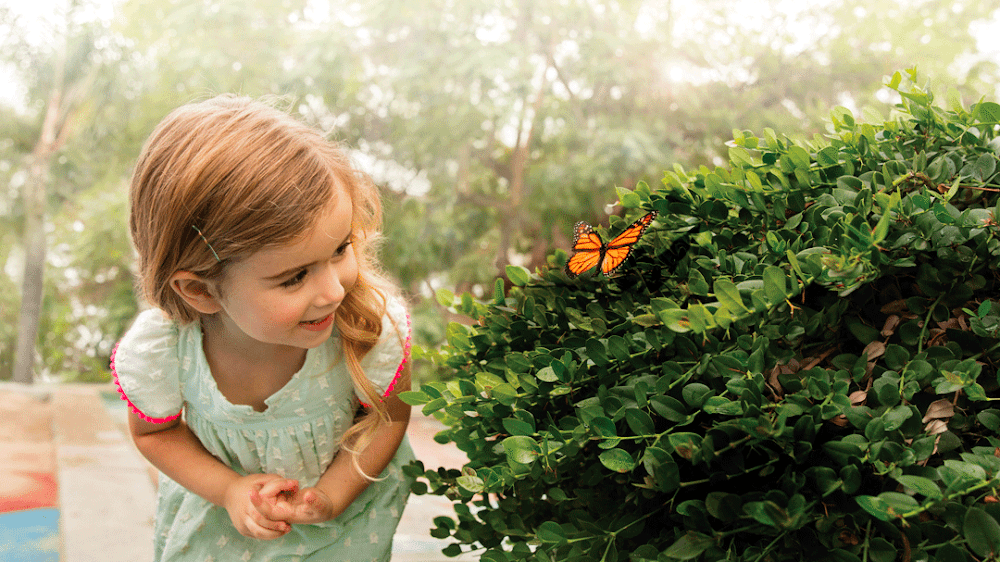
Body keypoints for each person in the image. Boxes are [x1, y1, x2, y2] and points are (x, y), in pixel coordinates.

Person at [111, 94, 415, 562]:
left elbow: (389, 417)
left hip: (343, 532)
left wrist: (332, 495)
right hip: (221, 534)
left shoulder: (364, 324)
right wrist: (230, 489)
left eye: (339, 249)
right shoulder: (166, 349)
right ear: (201, 291)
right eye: (294, 277)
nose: (333, 290)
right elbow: (155, 433)